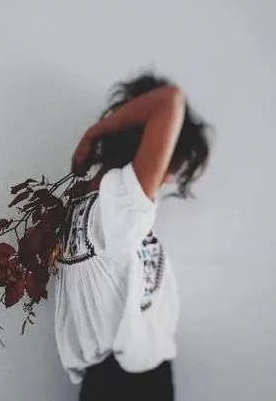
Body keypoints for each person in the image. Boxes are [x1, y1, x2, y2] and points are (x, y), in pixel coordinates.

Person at [54, 73, 210, 401]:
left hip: (105, 379)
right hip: (135, 380)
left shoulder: (87, 198)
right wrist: (93, 133)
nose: (171, 178)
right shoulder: (122, 199)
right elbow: (171, 98)